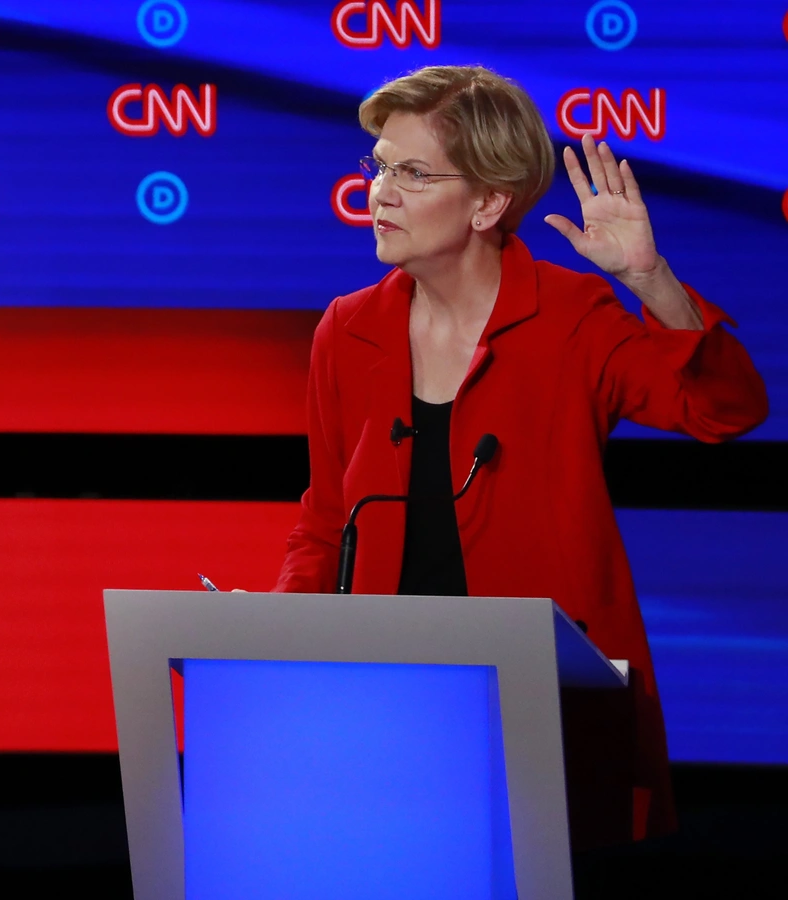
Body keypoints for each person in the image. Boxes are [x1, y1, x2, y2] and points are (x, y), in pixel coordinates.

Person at [275, 66, 768, 842]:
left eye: (411, 172)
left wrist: (650, 279)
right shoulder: (348, 328)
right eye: (377, 166)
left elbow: (723, 411)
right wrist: (280, 646)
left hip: (546, 705)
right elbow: (326, 520)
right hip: (390, 705)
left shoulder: (572, 319)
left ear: (489, 203)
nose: (379, 192)